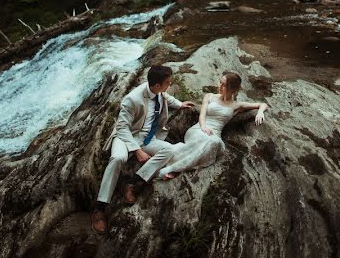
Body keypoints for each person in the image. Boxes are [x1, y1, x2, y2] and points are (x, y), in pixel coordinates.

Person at [91, 64, 196, 234]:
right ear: (156, 85)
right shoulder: (132, 99)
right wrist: (137, 151)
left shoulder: (158, 91)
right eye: (167, 82)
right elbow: (122, 127)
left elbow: (165, 97)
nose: (169, 84)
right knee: (118, 159)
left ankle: (133, 183)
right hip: (125, 137)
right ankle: (99, 208)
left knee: (169, 150)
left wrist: (180, 104)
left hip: (146, 138)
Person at [156, 71, 267, 181]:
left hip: (215, 134)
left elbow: (262, 104)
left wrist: (260, 112)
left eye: (224, 85)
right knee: (206, 139)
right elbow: (202, 114)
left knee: (215, 142)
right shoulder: (210, 96)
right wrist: (203, 126)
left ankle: (177, 167)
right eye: (220, 82)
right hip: (198, 129)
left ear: (232, 89)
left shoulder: (236, 105)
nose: (219, 86)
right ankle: (173, 168)